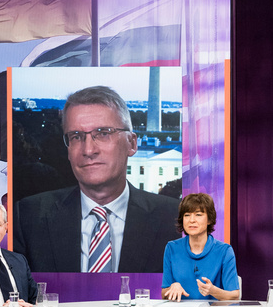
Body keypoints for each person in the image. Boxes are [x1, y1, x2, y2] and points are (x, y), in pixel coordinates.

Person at [14, 85, 180, 273]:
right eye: (76, 137)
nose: (88, 150)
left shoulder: (174, 220)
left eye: (103, 134)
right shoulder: (28, 217)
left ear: (132, 144)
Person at [161, 193, 240, 301]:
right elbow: (164, 293)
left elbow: (234, 295)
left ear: (209, 220)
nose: (191, 220)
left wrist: (213, 291)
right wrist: (172, 287)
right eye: (187, 215)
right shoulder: (172, 248)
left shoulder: (225, 251)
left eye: (198, 214)